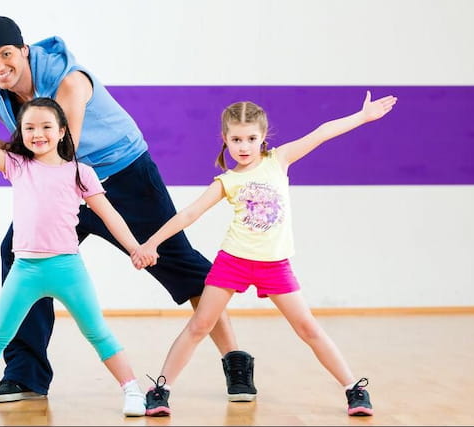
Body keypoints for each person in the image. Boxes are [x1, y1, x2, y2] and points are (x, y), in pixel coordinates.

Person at [0, 15, 256, 403]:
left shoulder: (69, 80)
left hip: (122, 175)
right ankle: (25, 376)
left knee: (178, 262)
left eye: (6, 55)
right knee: (19, 255)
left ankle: (235, 360)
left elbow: (62, 154)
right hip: (57, 187)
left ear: (23, 50)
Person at [131, 92, 398, 417]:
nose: (244, 146)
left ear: (263, 138)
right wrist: (150, 244)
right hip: (233, 262)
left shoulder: (279, 160)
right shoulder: (227, 180)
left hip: (274, 265)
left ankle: (354, 389)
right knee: (201, 324)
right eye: (236, 139)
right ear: (225, 139)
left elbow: (322, 132)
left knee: (308, 328)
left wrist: (362, 117)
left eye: (251, 138)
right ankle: (161, 390)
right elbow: (188, 214)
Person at [0, 97, 153, 416]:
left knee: (97, 332)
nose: (38, 133)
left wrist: (135, 247)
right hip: (25, 270)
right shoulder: (16, 165)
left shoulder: (81, 172)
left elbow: (110, 215)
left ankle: (132, 391)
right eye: (29, 127)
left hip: (67, 268)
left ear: (62, 131)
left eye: (46, 126)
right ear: (20, 132)